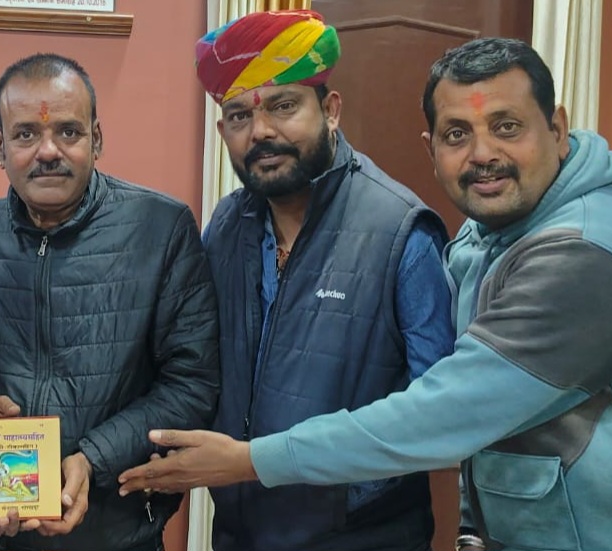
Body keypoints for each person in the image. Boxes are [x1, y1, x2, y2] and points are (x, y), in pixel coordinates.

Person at [119, 36, 612, 551]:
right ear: (431, 147)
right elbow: (491, 425)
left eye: (507, 126)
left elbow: (445, 415)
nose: (482, 154)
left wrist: (249, 461)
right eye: (457, 134)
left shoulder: (581, 250)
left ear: (556, 128)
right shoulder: (483, 236)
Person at [168, 10, 456, 551]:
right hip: (238, 535)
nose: (261, 132)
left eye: (283, 106)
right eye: (239, 116)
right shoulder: (226, 225)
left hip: (365, 538)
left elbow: (439, 420)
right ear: (223, 132)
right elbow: (191, 363)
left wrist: (344, 491)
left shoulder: (401, 232)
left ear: (330, 110)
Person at [0, 53, 220, 551]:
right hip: (0, 532)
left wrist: (94, 457)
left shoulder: (161, 229)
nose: (48, 151)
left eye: (68, 132)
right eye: (26, 134)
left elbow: (192, 383)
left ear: (97, 139)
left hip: (120, 532)